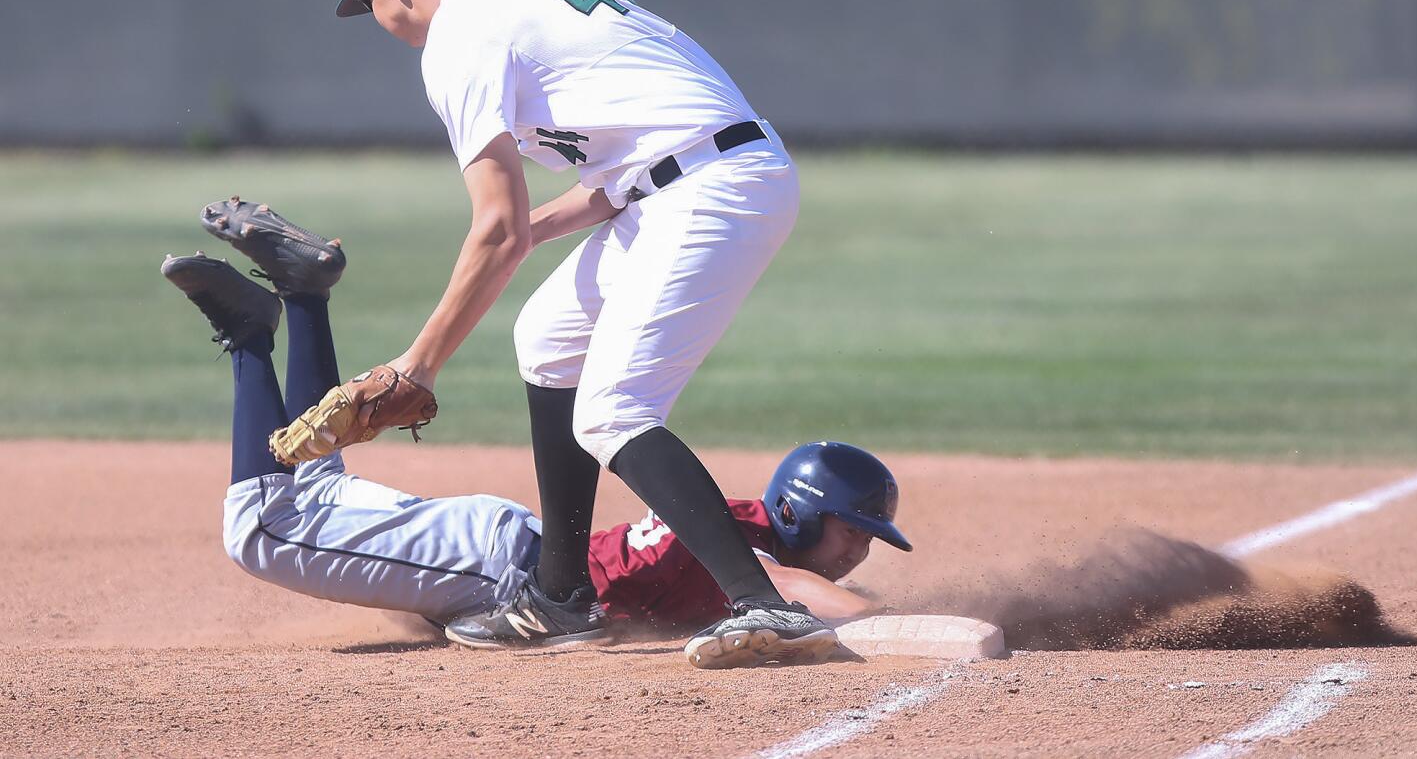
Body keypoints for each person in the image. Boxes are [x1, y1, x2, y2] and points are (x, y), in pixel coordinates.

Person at [329, 0, 821, 667]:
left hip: (708, 186)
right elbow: (602, 178)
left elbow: (495, 226)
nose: (376, 16)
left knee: (612, 407)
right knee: (548, 335)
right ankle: (563, 598)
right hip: (695, 173)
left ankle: (765, 606)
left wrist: (415, 365)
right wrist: (527, 235)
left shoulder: (456, 36)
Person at [159, 207, 912, 668]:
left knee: (314, 492)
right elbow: (788, 590)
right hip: (496, 571)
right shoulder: (747, 545)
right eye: (853, 531)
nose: (857, 552)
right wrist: (898, 618)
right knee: (264, 528)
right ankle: (253, 337)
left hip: (506, 555)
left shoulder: (733, 530)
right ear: (806, 510)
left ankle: (303, 294)